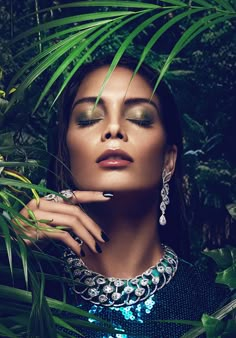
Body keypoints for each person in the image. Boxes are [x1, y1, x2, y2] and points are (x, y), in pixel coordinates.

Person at [20, 55, 229, 337]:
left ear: (169, 159)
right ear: (66, 152)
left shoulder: (216, 309)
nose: (114, 129)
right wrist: (8, 254)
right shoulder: (22, 284)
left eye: (140, 119)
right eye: (89, 118)